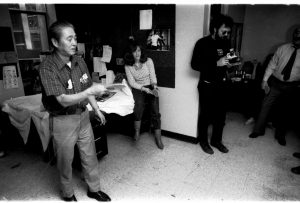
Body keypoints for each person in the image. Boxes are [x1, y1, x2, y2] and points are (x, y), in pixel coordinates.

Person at [39, 21, 111, 202]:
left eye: (75, 38)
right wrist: (89, 92)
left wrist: (96, 108)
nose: (74, 43)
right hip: (63, 120)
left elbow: (87, 86)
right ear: (55, 42)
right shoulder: (47, 67)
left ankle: (94, 189)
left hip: (83, 116)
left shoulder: (79, 60)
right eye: (69, 38)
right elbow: (62, 99)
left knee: (90, 156)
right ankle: (68, 194)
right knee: (65, 161)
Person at [248, 26, 300, 146]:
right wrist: (264, 80)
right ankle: (258, 131)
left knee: (286, 111)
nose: (297, 35)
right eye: (296, 33)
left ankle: (280, 135)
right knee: (265, 105)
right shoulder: (282, 48)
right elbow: (272, 65)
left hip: (292, 86)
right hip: (276, 82)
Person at [191, 14, 234, 155]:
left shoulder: (226, 43)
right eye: (224, 31)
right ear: (215, 29)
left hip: (222, 85)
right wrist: (216, 63)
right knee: (206, 115)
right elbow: (194, 65)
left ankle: (216, 141)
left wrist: (231, 64)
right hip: (207, 85)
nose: (226, 34)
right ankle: (203, 141)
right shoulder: (202, 43)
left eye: (228, 32)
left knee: (221, 116)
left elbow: (228, 61)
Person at [124, 41, 164, 150]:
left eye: (139, 50)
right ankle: (137, 132)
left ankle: (158, 138)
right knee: (138, 106)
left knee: (155, 111)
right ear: (130, 53)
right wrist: (143, 89)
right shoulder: (128, 66)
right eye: (134, 51)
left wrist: (154, 87)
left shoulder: (148, 61)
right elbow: (132, 83)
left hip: (150, 85)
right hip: (138, 87)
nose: (137, 54)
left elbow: (153, 76)